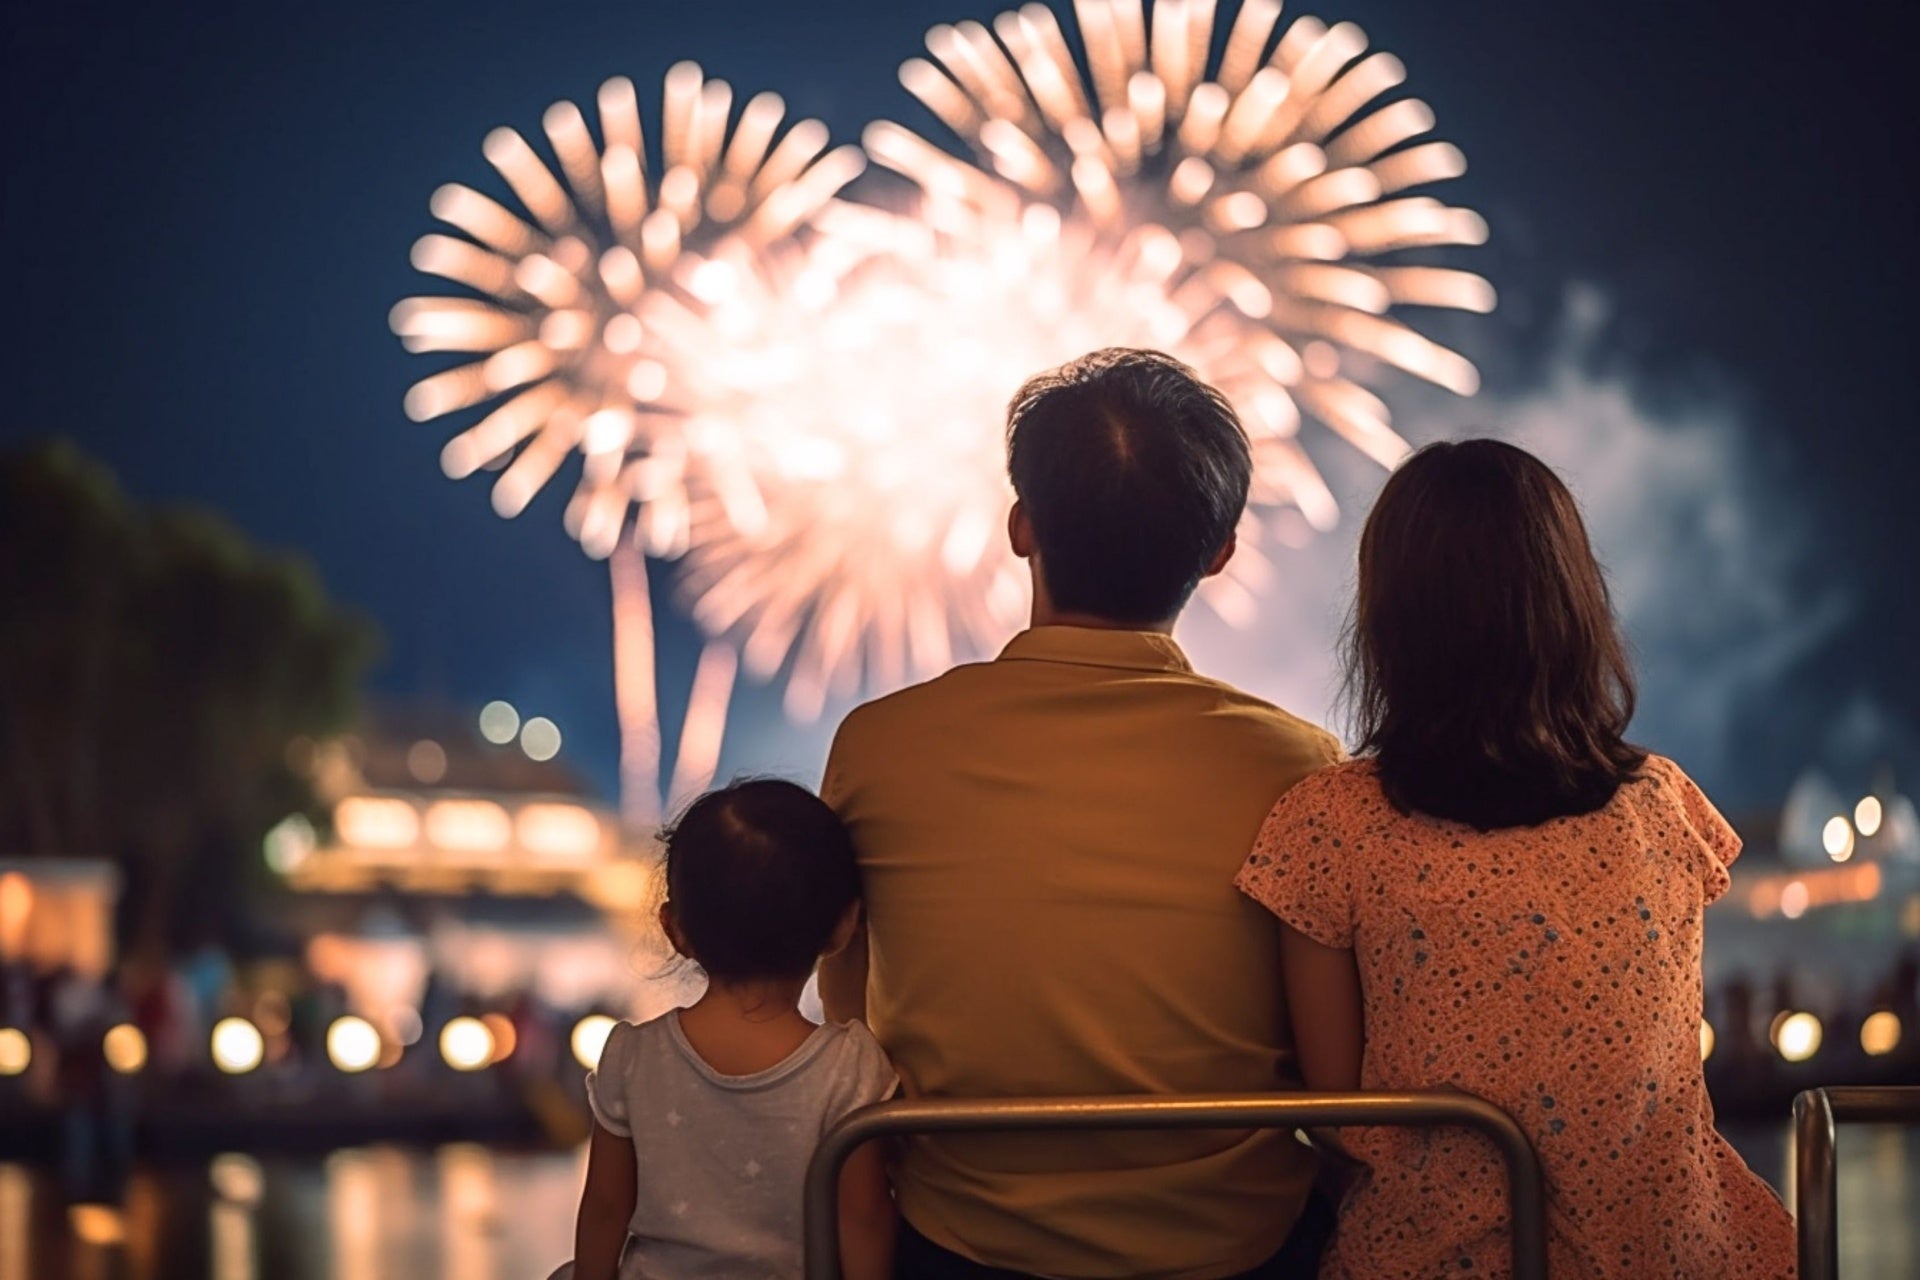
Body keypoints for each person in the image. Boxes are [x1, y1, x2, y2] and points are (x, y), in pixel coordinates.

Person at [820, 348, 1342, 1279]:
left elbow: (845, 1010)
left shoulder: (878, 746)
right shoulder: (1299, 769)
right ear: (1219, 553)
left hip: (959, 1243)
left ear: (1021, 526)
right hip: (1233, 1248)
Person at [1237, 439, 1796, 1278]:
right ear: (1571, 603)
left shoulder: (1328, 826)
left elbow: (1345, 1118)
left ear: (1390, 622)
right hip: (1682, 1257)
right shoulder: (1665, 809)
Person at [570, 780, 899, 1280]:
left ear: (674, 929)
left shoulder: (631, 1057)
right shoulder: (849, 1067)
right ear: (843, 926)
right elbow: (864, 1219)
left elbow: (603, 1210)